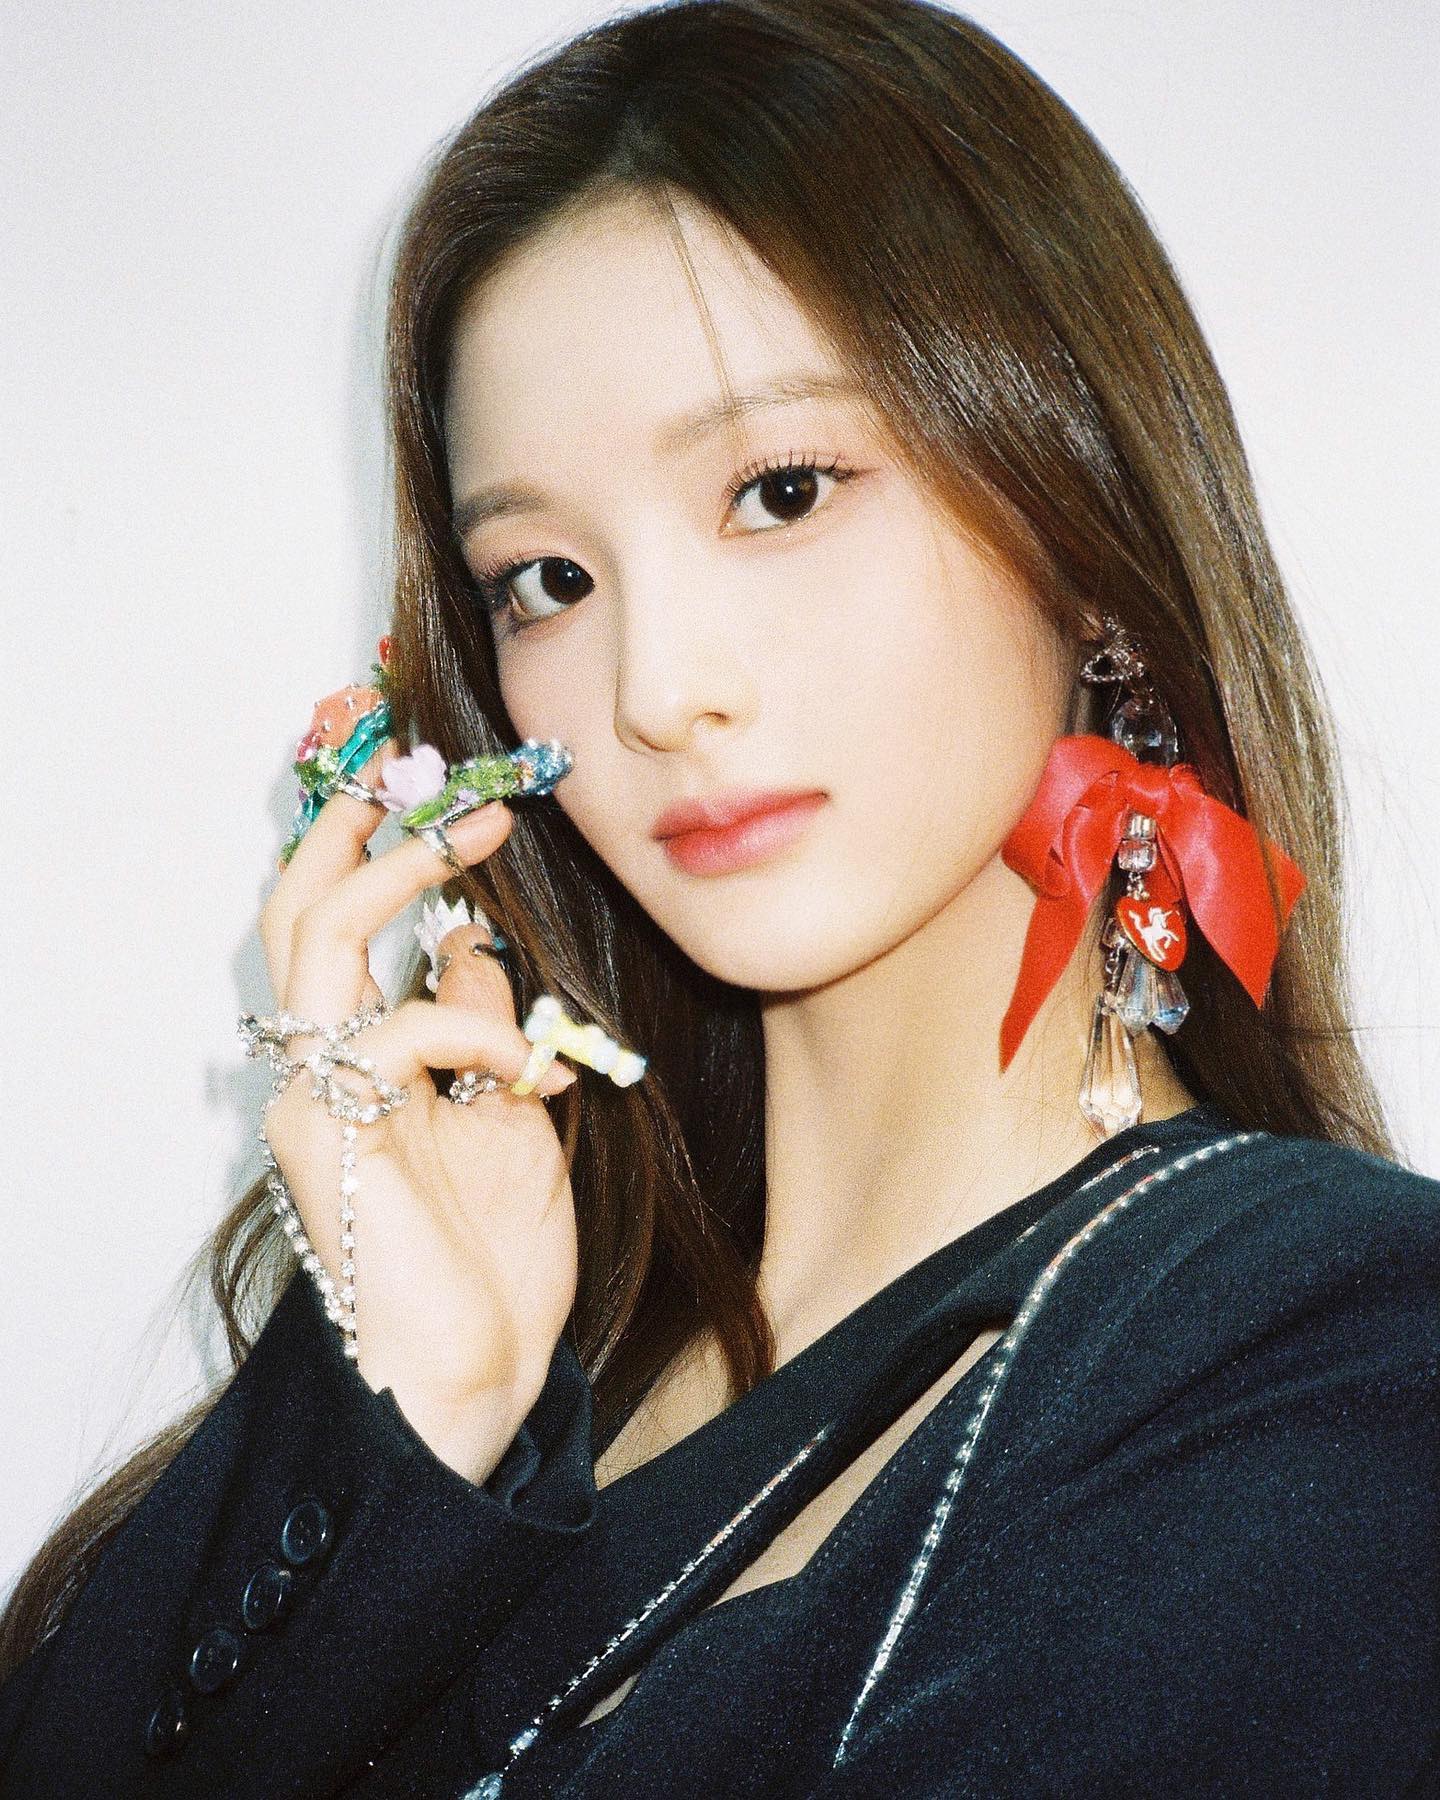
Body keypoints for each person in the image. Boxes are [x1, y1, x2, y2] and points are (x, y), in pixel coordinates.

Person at [2, 0, 1436, 1793]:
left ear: (1085, 532)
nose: (657, 691)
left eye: (780, 490)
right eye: (547, 579)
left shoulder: (1320, 1351)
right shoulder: (530, 1329)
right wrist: (400, 1416)